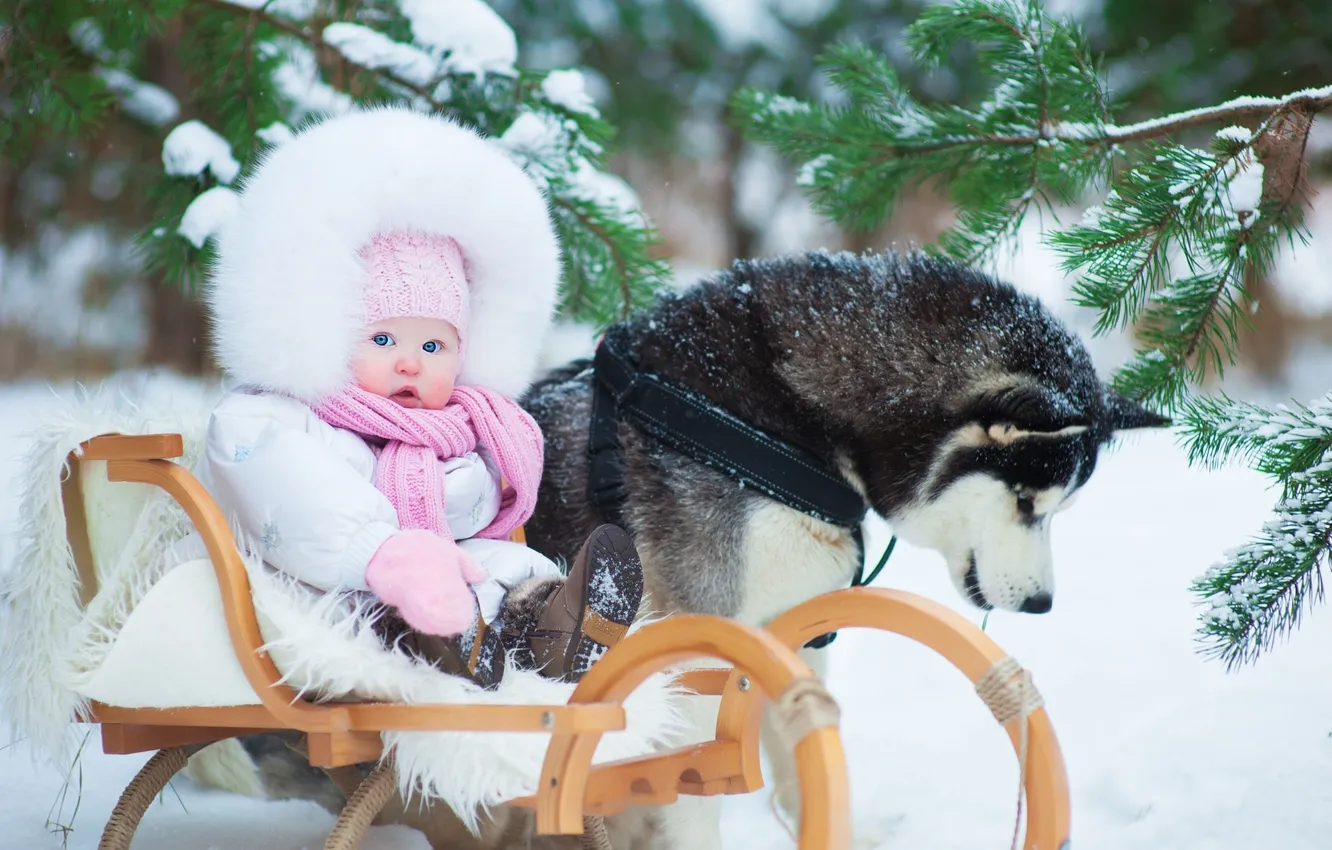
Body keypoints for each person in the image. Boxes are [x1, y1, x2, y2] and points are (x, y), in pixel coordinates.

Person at [196, 105, 643, 689]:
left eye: (434, 345)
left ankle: (549, 623)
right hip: (327, 582)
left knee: (506, 565)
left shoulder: (456, 434)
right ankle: (434, 633)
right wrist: (386, 554)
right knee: (416, 586)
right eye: (382, 338)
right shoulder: (274, 417)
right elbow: (290, 491)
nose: (410, 361)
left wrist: (458, 490)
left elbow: (472, 517)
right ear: (328, 334)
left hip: (440, 567)